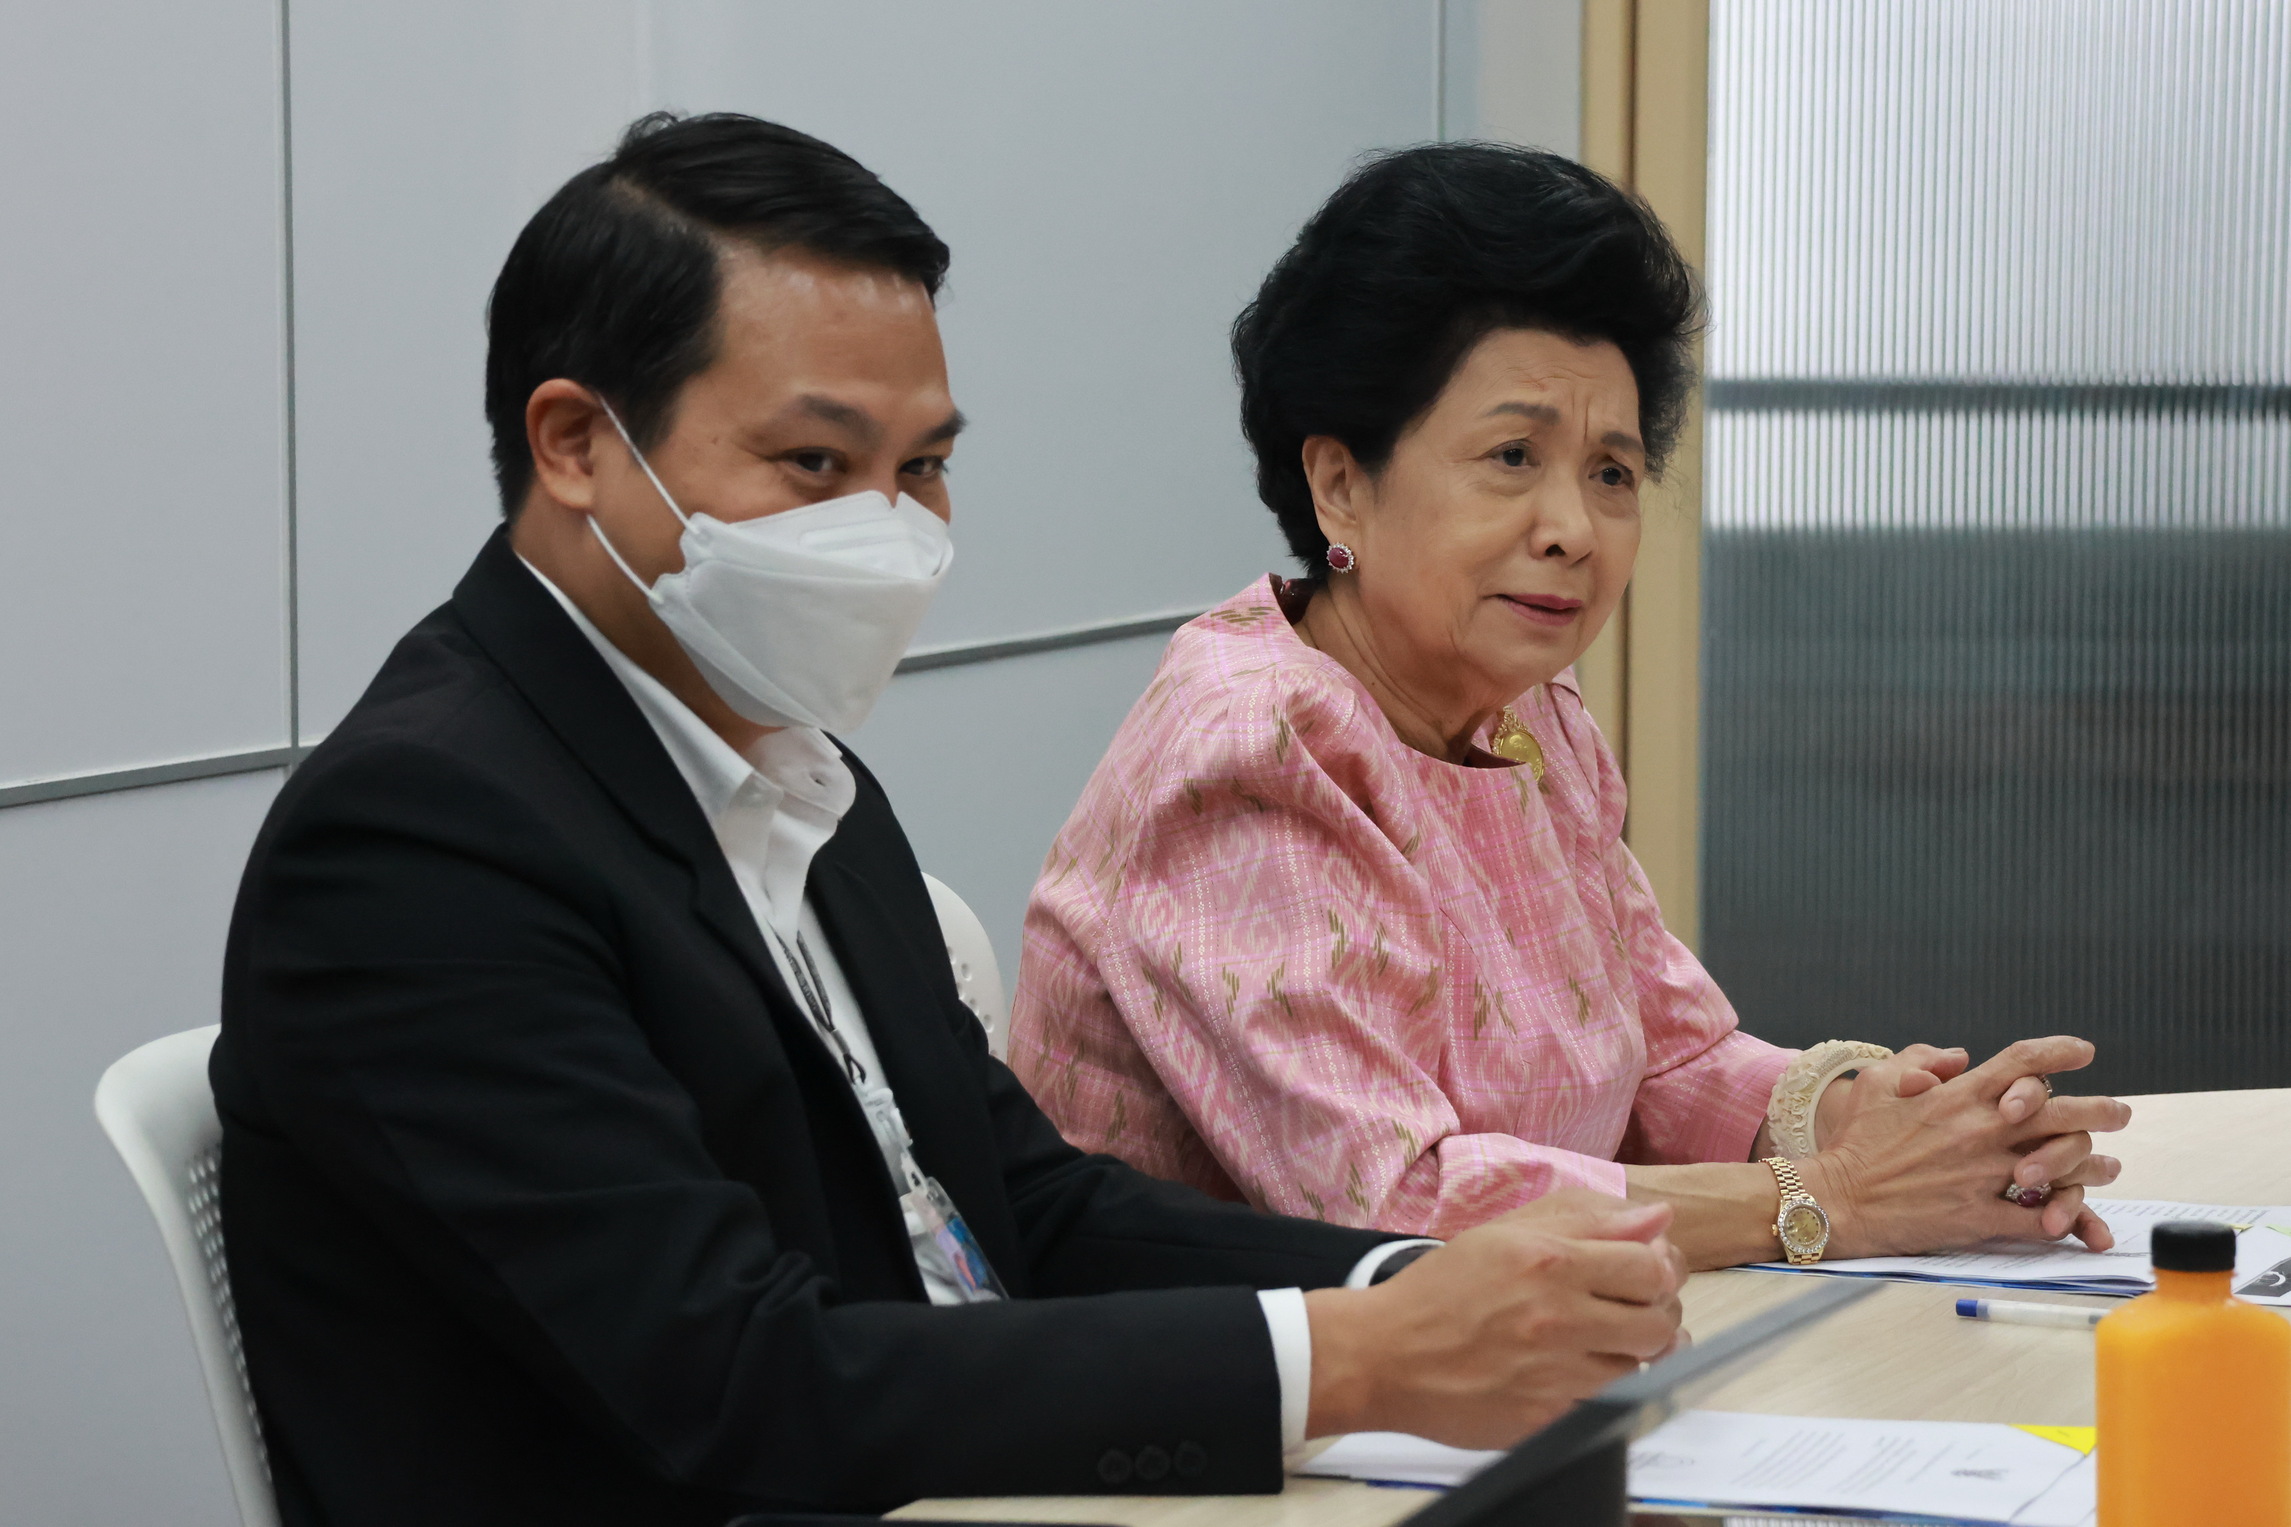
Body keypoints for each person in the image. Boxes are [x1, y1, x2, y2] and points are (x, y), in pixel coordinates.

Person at [211, 115, 1692, 1527]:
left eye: (920, 467)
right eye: (817, 464)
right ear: (576, 442)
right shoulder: (421, 838)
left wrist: (1399, 1280)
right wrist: (1349, 1357)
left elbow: (1023, 1204)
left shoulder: (793, 770)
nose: (890, 529)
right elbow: (734, 1376)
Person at [1008, 143, 2130, 1273]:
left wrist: (1889, 1123)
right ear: (1340, 482)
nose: (1573, 530)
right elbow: (1394, 1205)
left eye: (1610, 473)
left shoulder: (1528, 714)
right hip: (1223, 1366)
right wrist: (1835, 1195)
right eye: (1511, 456)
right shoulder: (1249, 748)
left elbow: (1668, 1058)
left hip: (1514, 1351)